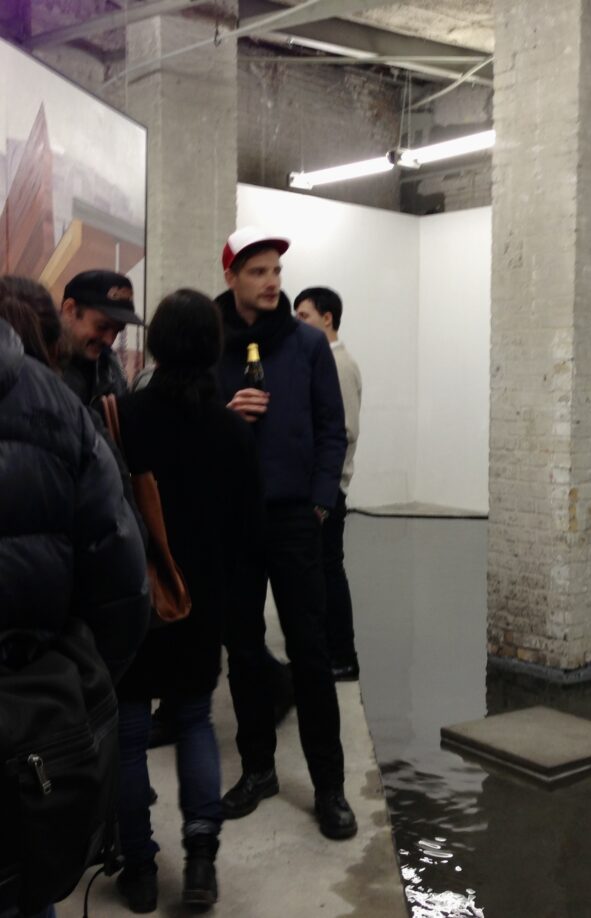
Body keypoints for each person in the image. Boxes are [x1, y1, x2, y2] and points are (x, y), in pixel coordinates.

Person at [0, 287, 150, 918]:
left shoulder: (91, 389)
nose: (108, 339)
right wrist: (79, 687)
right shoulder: (57, 404)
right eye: (101, 325)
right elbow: (121, 584)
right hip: (31, 713)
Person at [111, 290, 263, 912]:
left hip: (132, 596)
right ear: (213, 349)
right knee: (196, 719)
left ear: (156, 344)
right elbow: (248, 529)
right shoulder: (231, 430)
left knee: (128, 732)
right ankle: (201, 861)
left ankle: (140, 869)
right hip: (201, 597)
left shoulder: (123, 416)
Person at [214, 227, 356, 841]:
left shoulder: (307, 344)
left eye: (276, 270)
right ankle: (259, 770)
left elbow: (331, 426)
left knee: (311, 653)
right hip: (234, 518)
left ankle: (330, 787)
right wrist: (224, 417)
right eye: (258, 271)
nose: (272, 282)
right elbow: (192, 426)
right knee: (243, 651)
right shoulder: (211, 343)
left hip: (296, 517)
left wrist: (321, 499)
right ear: (231, 278)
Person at [294, 287, 363, 682]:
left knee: (328, 570)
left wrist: (326, 491)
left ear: (327, 318)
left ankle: (342, 656)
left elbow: (345, 430)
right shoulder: (322, 362)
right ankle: (329, 652)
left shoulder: (338, 365)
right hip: (320, 485)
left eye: (303, 316)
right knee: (320, 571)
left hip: (328, 488)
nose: (297, 323)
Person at [58, 270, 142, 408]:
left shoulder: (110, 366)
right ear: (69, 310)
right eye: (102, 327)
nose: (109, 341)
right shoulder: (34, 367)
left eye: (118, 331)